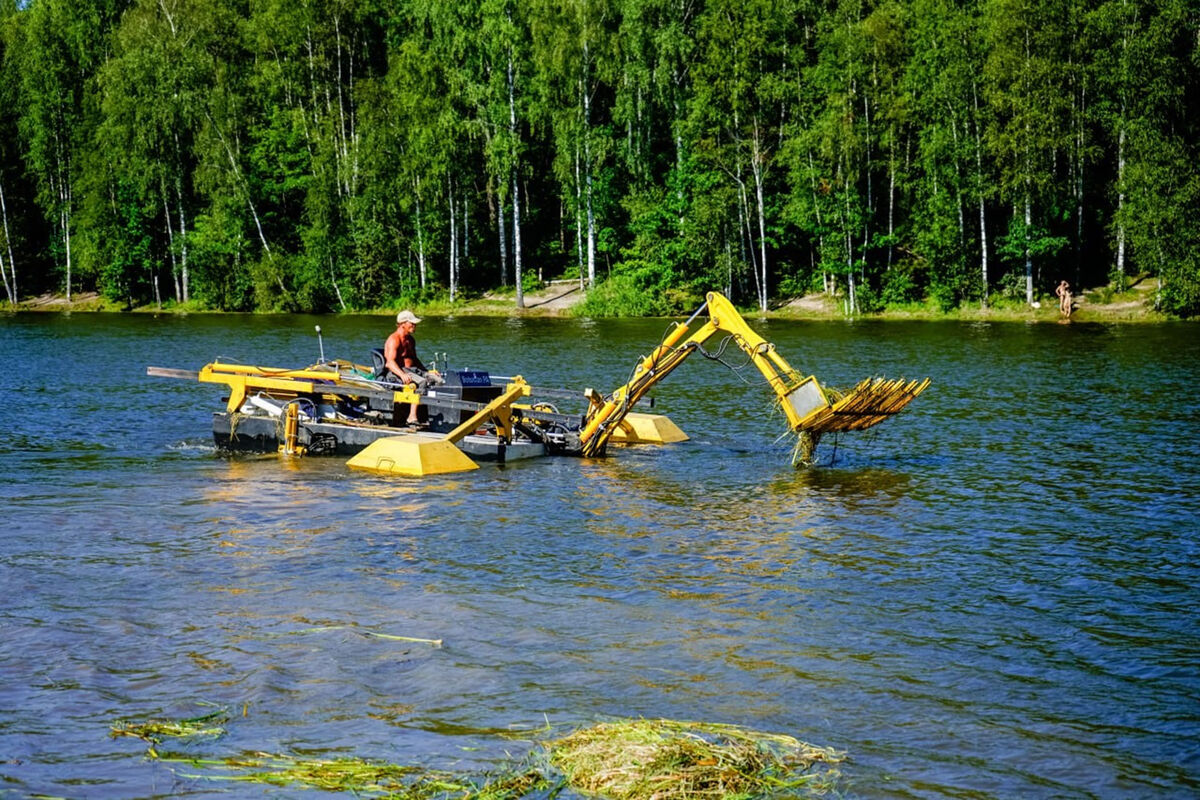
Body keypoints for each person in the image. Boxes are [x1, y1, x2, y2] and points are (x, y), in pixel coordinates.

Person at [383, 310, 441, 425]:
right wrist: (402, 375)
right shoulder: (394, 339)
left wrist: (428, 372)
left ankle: (425, 416)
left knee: (438, 380)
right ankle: (412, 416)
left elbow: (415, 359)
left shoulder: (410, 340)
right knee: (422, 382)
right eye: (412, 323)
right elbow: (389, 363)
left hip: (414, 370)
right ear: (403, 323)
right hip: (398, 372)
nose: (415, 326)